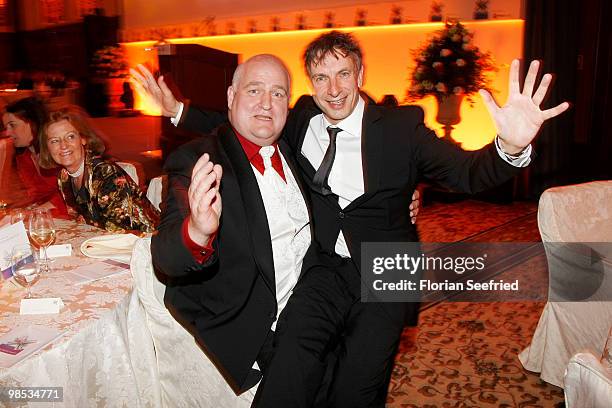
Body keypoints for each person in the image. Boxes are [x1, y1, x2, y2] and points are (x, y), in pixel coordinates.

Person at [133, 31, 568, 407]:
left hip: (386, 268)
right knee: (292, 359)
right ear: (311, 85)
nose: (334, 88)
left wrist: (509, 146)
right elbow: (247, 118)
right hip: (325, 266)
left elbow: (467, 173)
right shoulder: (300, 117)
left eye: (343, 74)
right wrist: (178, 111)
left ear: (360, 75)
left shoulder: (401, 127)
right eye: (321, 77)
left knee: (358, 386)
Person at [38, 106, 159, 233]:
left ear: (83, 139)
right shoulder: (64, 177)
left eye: (70, 137)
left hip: (145, 242)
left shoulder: (105, 174)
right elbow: (80, 222)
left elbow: (121, 231)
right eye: (54, 141)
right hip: (104, 243)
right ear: (47, 148)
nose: (63, 145)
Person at [2, 97, 68, 215]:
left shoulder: (60, 149)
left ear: (32, 123)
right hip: (48, 216)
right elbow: (34, 195)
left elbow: (72, 192)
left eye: (12, 125)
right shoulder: (24, 156)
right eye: (6, 127)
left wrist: (38, 211)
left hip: (69, 215)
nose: (7, 133)